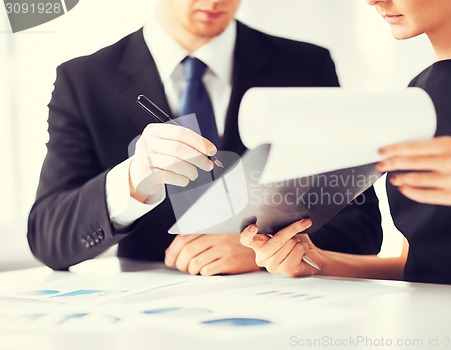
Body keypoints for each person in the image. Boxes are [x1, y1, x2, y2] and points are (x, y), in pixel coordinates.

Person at [28, 0, 383, 273]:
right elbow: (47, 238)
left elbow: (362, 227)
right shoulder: (85, 81)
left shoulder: (306, 66)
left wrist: (261, 251)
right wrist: (131, 182)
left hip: (288, 305)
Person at [241, 0, 451, 287]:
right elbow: (420, 263)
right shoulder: (418, 92)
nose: (373, 0)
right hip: (431, 320)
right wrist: (315, 261)